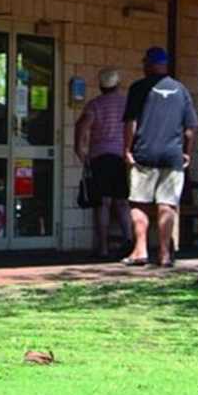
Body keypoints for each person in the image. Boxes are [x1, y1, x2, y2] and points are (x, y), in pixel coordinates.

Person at [122, 47, 198, 267]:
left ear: (149, 64)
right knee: (168, 204)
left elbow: (131, 122)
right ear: (165, 65)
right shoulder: (181, 90)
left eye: (145, 62)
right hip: (172, 156)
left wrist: (127, 149)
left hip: (144, 154)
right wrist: (187, 152)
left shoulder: (138, 88)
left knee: (139, 203)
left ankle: (141, 250)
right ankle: (165, 253)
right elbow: (191, 127)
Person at [74, 67, 133, 258]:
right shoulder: (126, 104)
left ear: (101, 85)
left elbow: (82, 126)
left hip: (99, 157)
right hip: (120, 157)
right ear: (118, 84)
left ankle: (103, 248)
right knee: (122, 202)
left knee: (102, 204)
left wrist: (80, 150)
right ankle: (129, 242)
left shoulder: (94, 104)